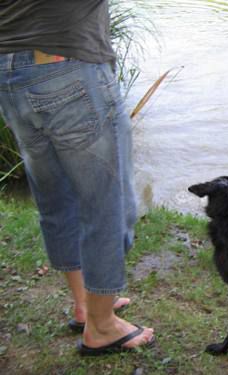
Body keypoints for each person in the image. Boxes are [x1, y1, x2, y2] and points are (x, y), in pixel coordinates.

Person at [0, 1, 154, 355]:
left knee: (58, 197)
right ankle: (102, 327)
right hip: (65, 65)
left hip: (9, 70)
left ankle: (87, 304)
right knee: (107, 203)